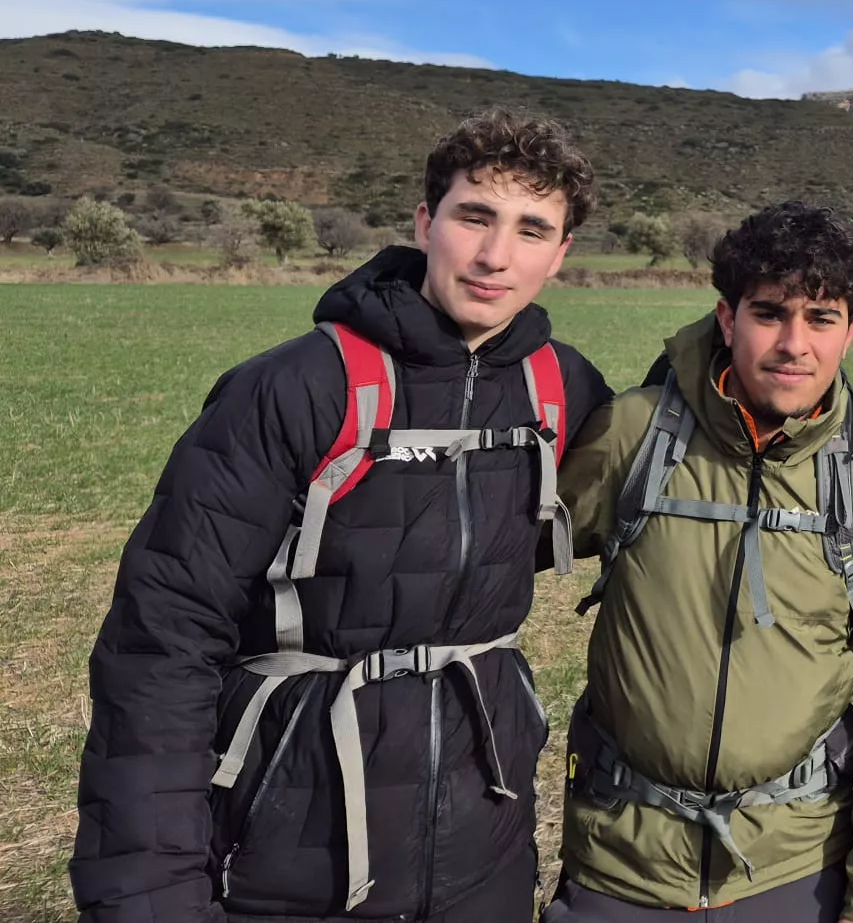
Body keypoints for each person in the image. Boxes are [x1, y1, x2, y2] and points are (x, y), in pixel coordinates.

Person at [72, 110, 614, 923]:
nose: (497, 256)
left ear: (561, 253)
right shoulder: (294, 388)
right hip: (286, 853)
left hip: (486, 849)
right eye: (475, 217)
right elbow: (163, 638)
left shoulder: (561, 391)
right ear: (426, 221)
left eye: (532, 229)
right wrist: (149, 893)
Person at [549, 201, 853, 923]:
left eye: (820, 318)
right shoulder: (634, 437)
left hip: (793, 868)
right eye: (769, 313)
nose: (793, 343)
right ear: (727, 320)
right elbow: (485, 563)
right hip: (619, 863)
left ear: (852, 332)